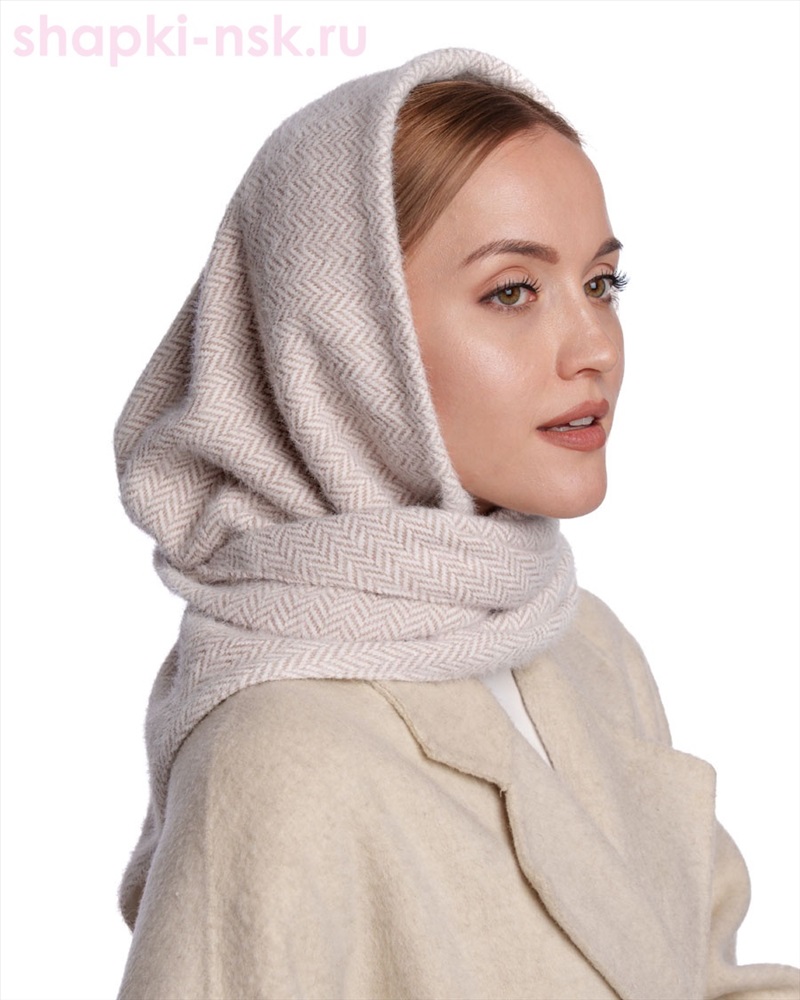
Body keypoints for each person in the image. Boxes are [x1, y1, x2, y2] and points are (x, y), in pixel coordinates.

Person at [114, 48, 800, 1000]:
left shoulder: (580, 643)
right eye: (512, 291)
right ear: (349, 344)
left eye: (603, 284)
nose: (595, 347)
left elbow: (702, 977)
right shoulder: (276, 755)